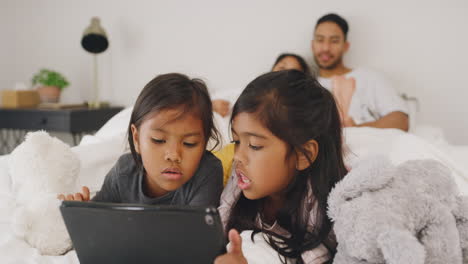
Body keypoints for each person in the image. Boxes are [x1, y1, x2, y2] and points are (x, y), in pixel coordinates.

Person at [214, 70, 347, 264]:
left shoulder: (325, 210)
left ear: (304, 155)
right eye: (236, 141)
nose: (238, 157)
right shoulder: (241, 178)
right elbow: (220, 227)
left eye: (254, 145)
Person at [58, 73, 223, 207]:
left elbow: (196, 236)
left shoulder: (207, 171)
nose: (173, 155)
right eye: (158, 140)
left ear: (203, 144)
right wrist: (84, 212)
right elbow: (100, 219)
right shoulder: (123, 173)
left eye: (189, 143)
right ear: (136, 138)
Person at [312, 13, 409, 131]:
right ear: (312, 45)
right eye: (320, 40)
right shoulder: (305, 86)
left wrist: (355, 128)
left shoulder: (369, 77)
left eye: (334, 41)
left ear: (345, 46)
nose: (326, 48)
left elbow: (400, 120)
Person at [212, 53, 311, 118]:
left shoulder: (294, 113)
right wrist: (212, 105)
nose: (283, 75)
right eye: (281, 67)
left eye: (291, 73)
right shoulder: (246, 93)